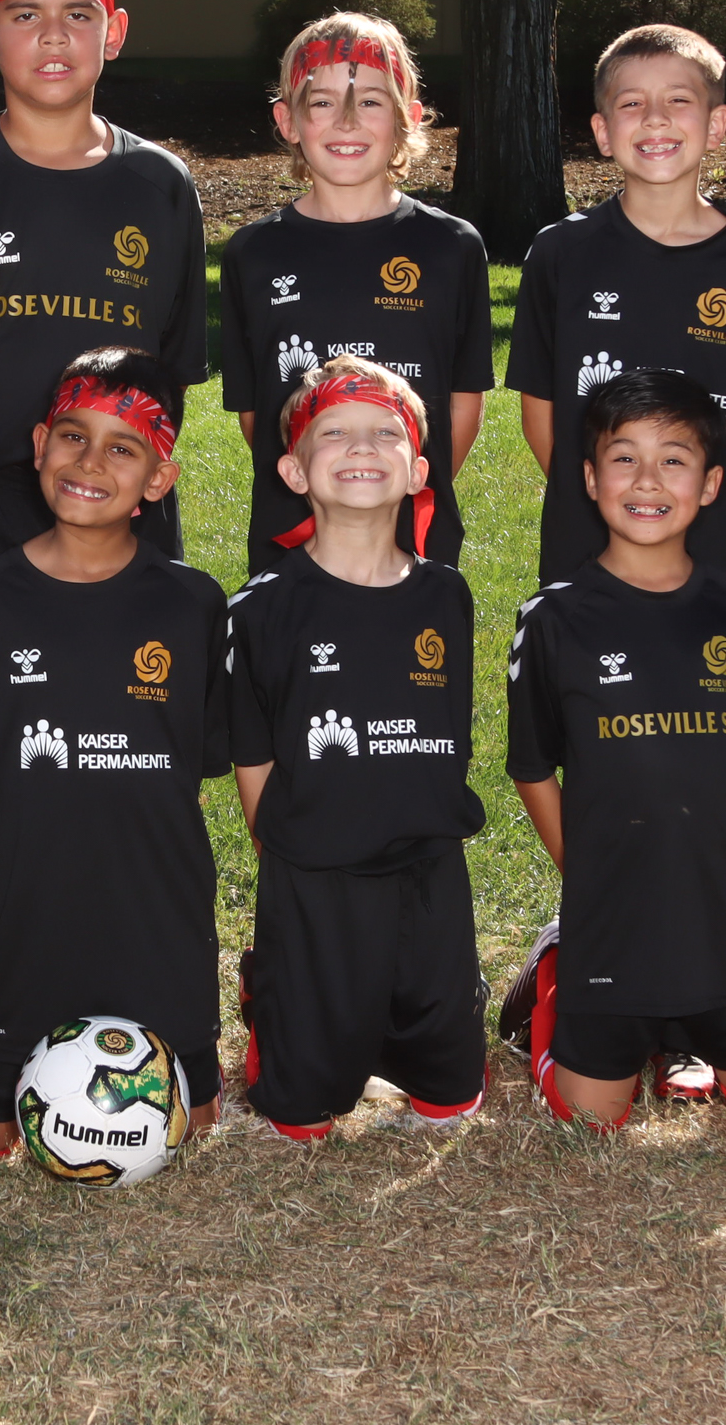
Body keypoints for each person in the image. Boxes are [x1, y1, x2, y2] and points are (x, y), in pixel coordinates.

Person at [0, 349, 230, 1158]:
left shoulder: (193, 605)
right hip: (20, 931)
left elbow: (190, 781)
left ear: (159, 479)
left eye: (124, 448)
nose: (90, 462)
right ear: (39, 444)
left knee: (193, 1130)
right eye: (73, 436)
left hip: (158, 930)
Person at [0, 0, 208, 746]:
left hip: (122, 506)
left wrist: (115, 486)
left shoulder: (161, 185)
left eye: (78, 13)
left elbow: (171, 369)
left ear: (116, 31)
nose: (54, 36)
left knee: (124, 732)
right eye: (25, 14)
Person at [502, 369, 726, 1132]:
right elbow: (532, 767)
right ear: (589, 478)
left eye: (674, 459)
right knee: (590, 1120)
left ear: (711, 484)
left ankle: (697, 1032)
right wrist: (589, 873)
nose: (647, 480)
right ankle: (556, 978)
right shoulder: (553, 618)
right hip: (611, 916)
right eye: (624, 457)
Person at [225, 358, 488, 1141]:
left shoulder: (446, 595)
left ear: (419, 471)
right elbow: (253, 753)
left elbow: (450, 731)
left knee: (450, 1103)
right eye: (334, 432)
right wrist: (285, 850)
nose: (362, 446)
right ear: (293, 470)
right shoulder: (262, 608)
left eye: (385, 433)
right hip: (315, 882)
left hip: (430, 875)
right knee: (300, 1118)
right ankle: (275, 995)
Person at [505, 24, 726, 592]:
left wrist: (685, 498)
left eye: (678, 100)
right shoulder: (561, 253)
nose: (655, 119)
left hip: (712, 554)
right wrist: (611, 500)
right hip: (587, 553)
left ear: (716, 125)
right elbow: (541, 413)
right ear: (603, 131)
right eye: (632, 103)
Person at [219, 15, 493, 576]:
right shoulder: (253, 253)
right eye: (322, 103)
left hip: (412, 535)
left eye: (370, 101)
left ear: (406, 116)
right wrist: (322, 486)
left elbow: (462, 402)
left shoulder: (452, 247)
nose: (347, 121)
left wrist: (390, 488)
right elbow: (257, 415)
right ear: (288, 120)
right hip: (292, 534)